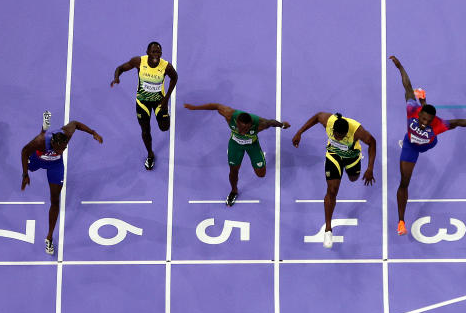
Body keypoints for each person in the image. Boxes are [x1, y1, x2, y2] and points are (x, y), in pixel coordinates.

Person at [390, 55, 466, 236]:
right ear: (419, 113)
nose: (424, 123)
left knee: (437, 135)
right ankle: (401, 221)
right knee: (404, 182)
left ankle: (424, 98)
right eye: (422, 119)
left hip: (428, 144)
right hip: (410, 146)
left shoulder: (438, 124)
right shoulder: (411, 109)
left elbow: (458, 122)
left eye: (428, 121)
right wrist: (400, 67)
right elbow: (407, 85)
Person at [21, 111, 103, 255]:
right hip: (38, 159)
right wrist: (25, 174)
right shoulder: (40, 142)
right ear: (53, 143)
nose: (62, 151)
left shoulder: (66, 134)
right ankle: (44, 128)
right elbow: (24, 151)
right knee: (31, 166)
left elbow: (75, 123)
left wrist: (93, 132)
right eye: (60, 149)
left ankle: (49, 238)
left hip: (55, 166)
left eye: (64, 148)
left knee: (55, 201)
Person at [291, 110, 376, 248]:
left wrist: (370, 168)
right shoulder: (329, 122)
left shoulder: (356, 130)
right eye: (336, 135)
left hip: (352, 156)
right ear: (333, 129)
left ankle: (351, 170)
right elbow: (317, 116)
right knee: (332, 190)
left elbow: (372, 142)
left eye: (341, 136)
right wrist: (300, 132)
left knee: (354, 178)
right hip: (333, 155)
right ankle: (328, 230)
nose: (338, 138)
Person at [182, 102, 290, 205]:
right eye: (240, 127)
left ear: (251, 124)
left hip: (252, 145)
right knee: (233, 170)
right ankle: (234, 191)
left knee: (261, 174)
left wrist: (282, 125)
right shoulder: (229, 114)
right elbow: (215, 106)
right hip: (235, 145)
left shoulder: (260, 124)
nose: (242, 131)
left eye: (246, 128)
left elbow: (271, 122)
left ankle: (258, 159)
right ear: (236, 121)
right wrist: (195, 107)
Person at [110, 41, 178, 170]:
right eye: (153, 52)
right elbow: (120, 68)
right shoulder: (139, 62)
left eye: (158, 52)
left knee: (164, 127)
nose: (156, 55)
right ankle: (150, 154)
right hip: (142, 102)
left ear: (161, 53)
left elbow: (175, 78)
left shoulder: (166, 66)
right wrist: (116, 78)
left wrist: (166, 99)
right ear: (147, 53)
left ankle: (164, 114)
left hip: (159, 102)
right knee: (145, 130)